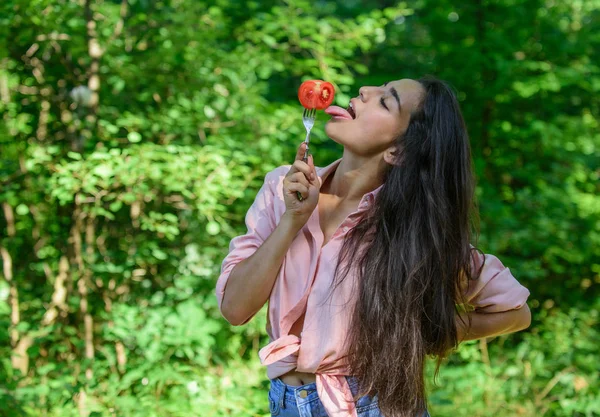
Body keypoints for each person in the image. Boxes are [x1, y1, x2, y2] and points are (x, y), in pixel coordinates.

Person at [215, 76, 532, 417]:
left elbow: (517, 314)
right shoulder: (284, 189)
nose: (364, 91)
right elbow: (234, 309)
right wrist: (292, 220)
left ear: (399, 150)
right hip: (286, 402)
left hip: (376, 404)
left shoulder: (413, 234)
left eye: (385, 101)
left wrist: (420, 333)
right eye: (376, 89)